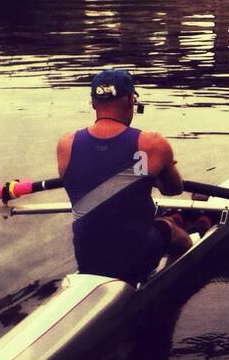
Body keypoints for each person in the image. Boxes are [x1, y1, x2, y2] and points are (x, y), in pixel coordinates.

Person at [56, 69, 192, 284]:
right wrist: (153, 173)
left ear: (93, 103)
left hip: (87, 258)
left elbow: (91, 174)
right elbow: (174, 189)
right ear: (130, 100)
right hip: (136, 260)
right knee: (173, 230)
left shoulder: (66, 144)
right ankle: (185, 269)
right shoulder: (152, 143)